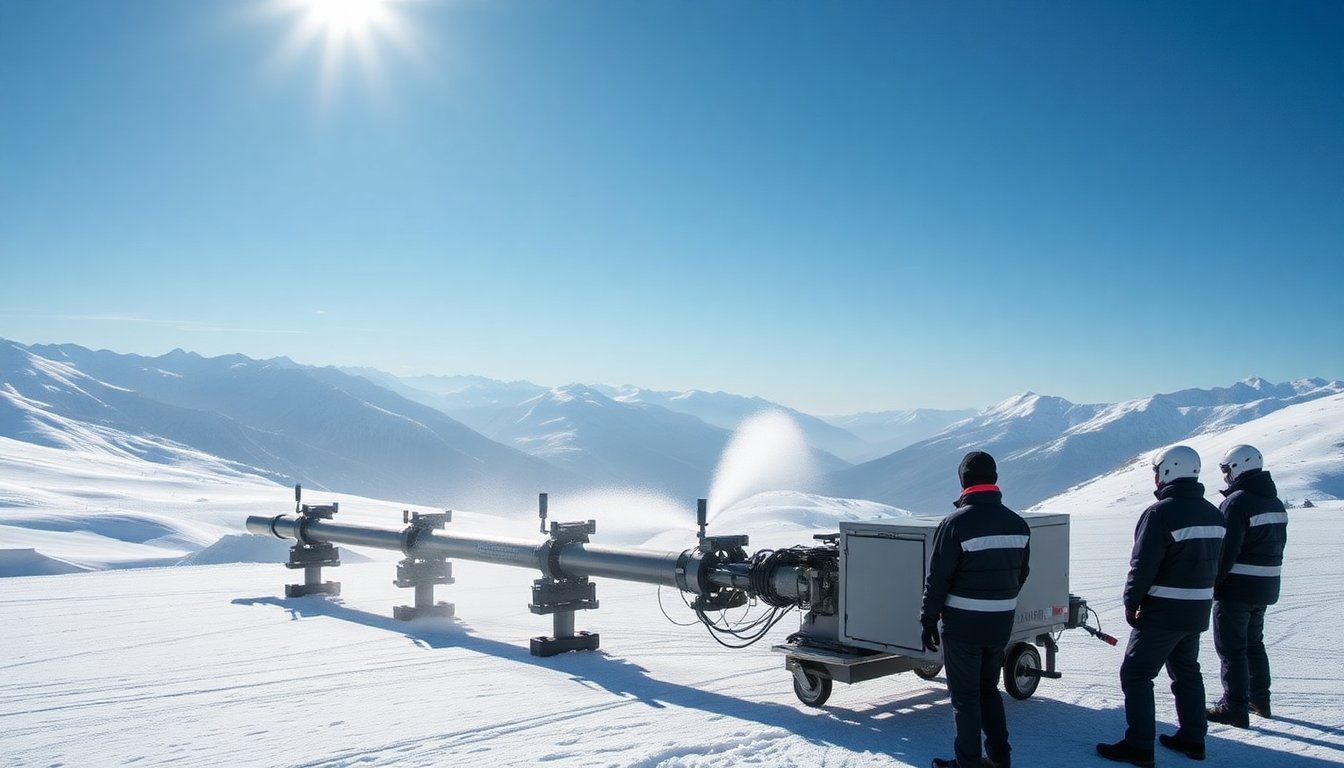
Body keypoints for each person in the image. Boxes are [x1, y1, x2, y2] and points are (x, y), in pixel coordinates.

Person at [1097, 445, 1225, 767]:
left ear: (1167, 471)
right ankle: (1193, 739)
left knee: (1136, 674)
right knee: (1187, 671)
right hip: (1197, 610)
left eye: (1156, 471)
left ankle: (1139, 746)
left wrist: (1131, 603)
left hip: (1163, 611)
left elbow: (1142, 566)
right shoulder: (1214, 513)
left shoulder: (1160, 513)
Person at [921, 451, 1031, 768]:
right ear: (994, 479)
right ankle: (1000, 757)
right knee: (989, 691)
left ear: (963, 482)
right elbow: (1021, 573)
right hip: (1000, 624)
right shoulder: (1018, 524)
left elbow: (938, 579)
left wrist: (928, 619)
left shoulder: (954, 524)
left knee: (965, 697)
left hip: (962, 625)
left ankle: (967, 762)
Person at [1208, 444, 1288, 727]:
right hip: (1266, 588)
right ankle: (1260, 700)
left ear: (1238, 467)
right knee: (1254, 644)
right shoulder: (1274, 502)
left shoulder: (1237, 503)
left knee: (1231, 648)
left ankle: (1234, 706)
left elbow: (1225, 551)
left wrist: (1211, 583)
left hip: (1236, 589)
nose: (1226, 476)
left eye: (1227, 469)